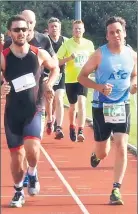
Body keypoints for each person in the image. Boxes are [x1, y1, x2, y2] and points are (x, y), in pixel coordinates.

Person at [1, 15, 59, 208]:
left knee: (32, 150)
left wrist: (49, 84)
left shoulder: (38, 53)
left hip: (34, 109)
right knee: (17, 159)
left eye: (24, 29)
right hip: (12, 113)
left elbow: (55, 68)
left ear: (29, 31)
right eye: (16, 30)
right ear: (10, 33)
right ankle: (18, 191)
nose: (21, 33)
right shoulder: (3, 56)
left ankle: (32, 172)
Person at [78, 16, 137, 205]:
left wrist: (134, 84)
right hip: (101, 106)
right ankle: (96, 155)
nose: (115, 35)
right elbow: (82, 77)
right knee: (103, 151)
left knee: (121, 144)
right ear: (107, 35)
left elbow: (135, 75)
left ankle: (116, 189)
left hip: (122, 104)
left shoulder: (132, 54)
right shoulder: (99, 54)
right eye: (111, 32)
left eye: (118, 31)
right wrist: (99, 87)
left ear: (124, 33)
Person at [57, 20, 95, 142]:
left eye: (80, 28)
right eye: (75, 29)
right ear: (72, 30)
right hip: (70, 79)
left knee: (82, 103)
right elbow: (57, 61)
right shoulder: (67, 44)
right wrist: (69, 58)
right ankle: (72, 126)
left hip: (83, 78)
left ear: (83, 30)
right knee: (73, 106)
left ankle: (81, 130)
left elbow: (94, 60)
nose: (78, 30)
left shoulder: (89, 44)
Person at [46, 17, 68, 139]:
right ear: (48, 28)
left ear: (60, 28)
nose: (54, 28)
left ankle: (58, 127)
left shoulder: (65, 41)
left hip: (61, 74)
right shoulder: (44, 40)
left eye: (56, 26)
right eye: (52, 26)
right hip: (46, 74)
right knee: (50, 99)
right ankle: (50, 119)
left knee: (59, 98)